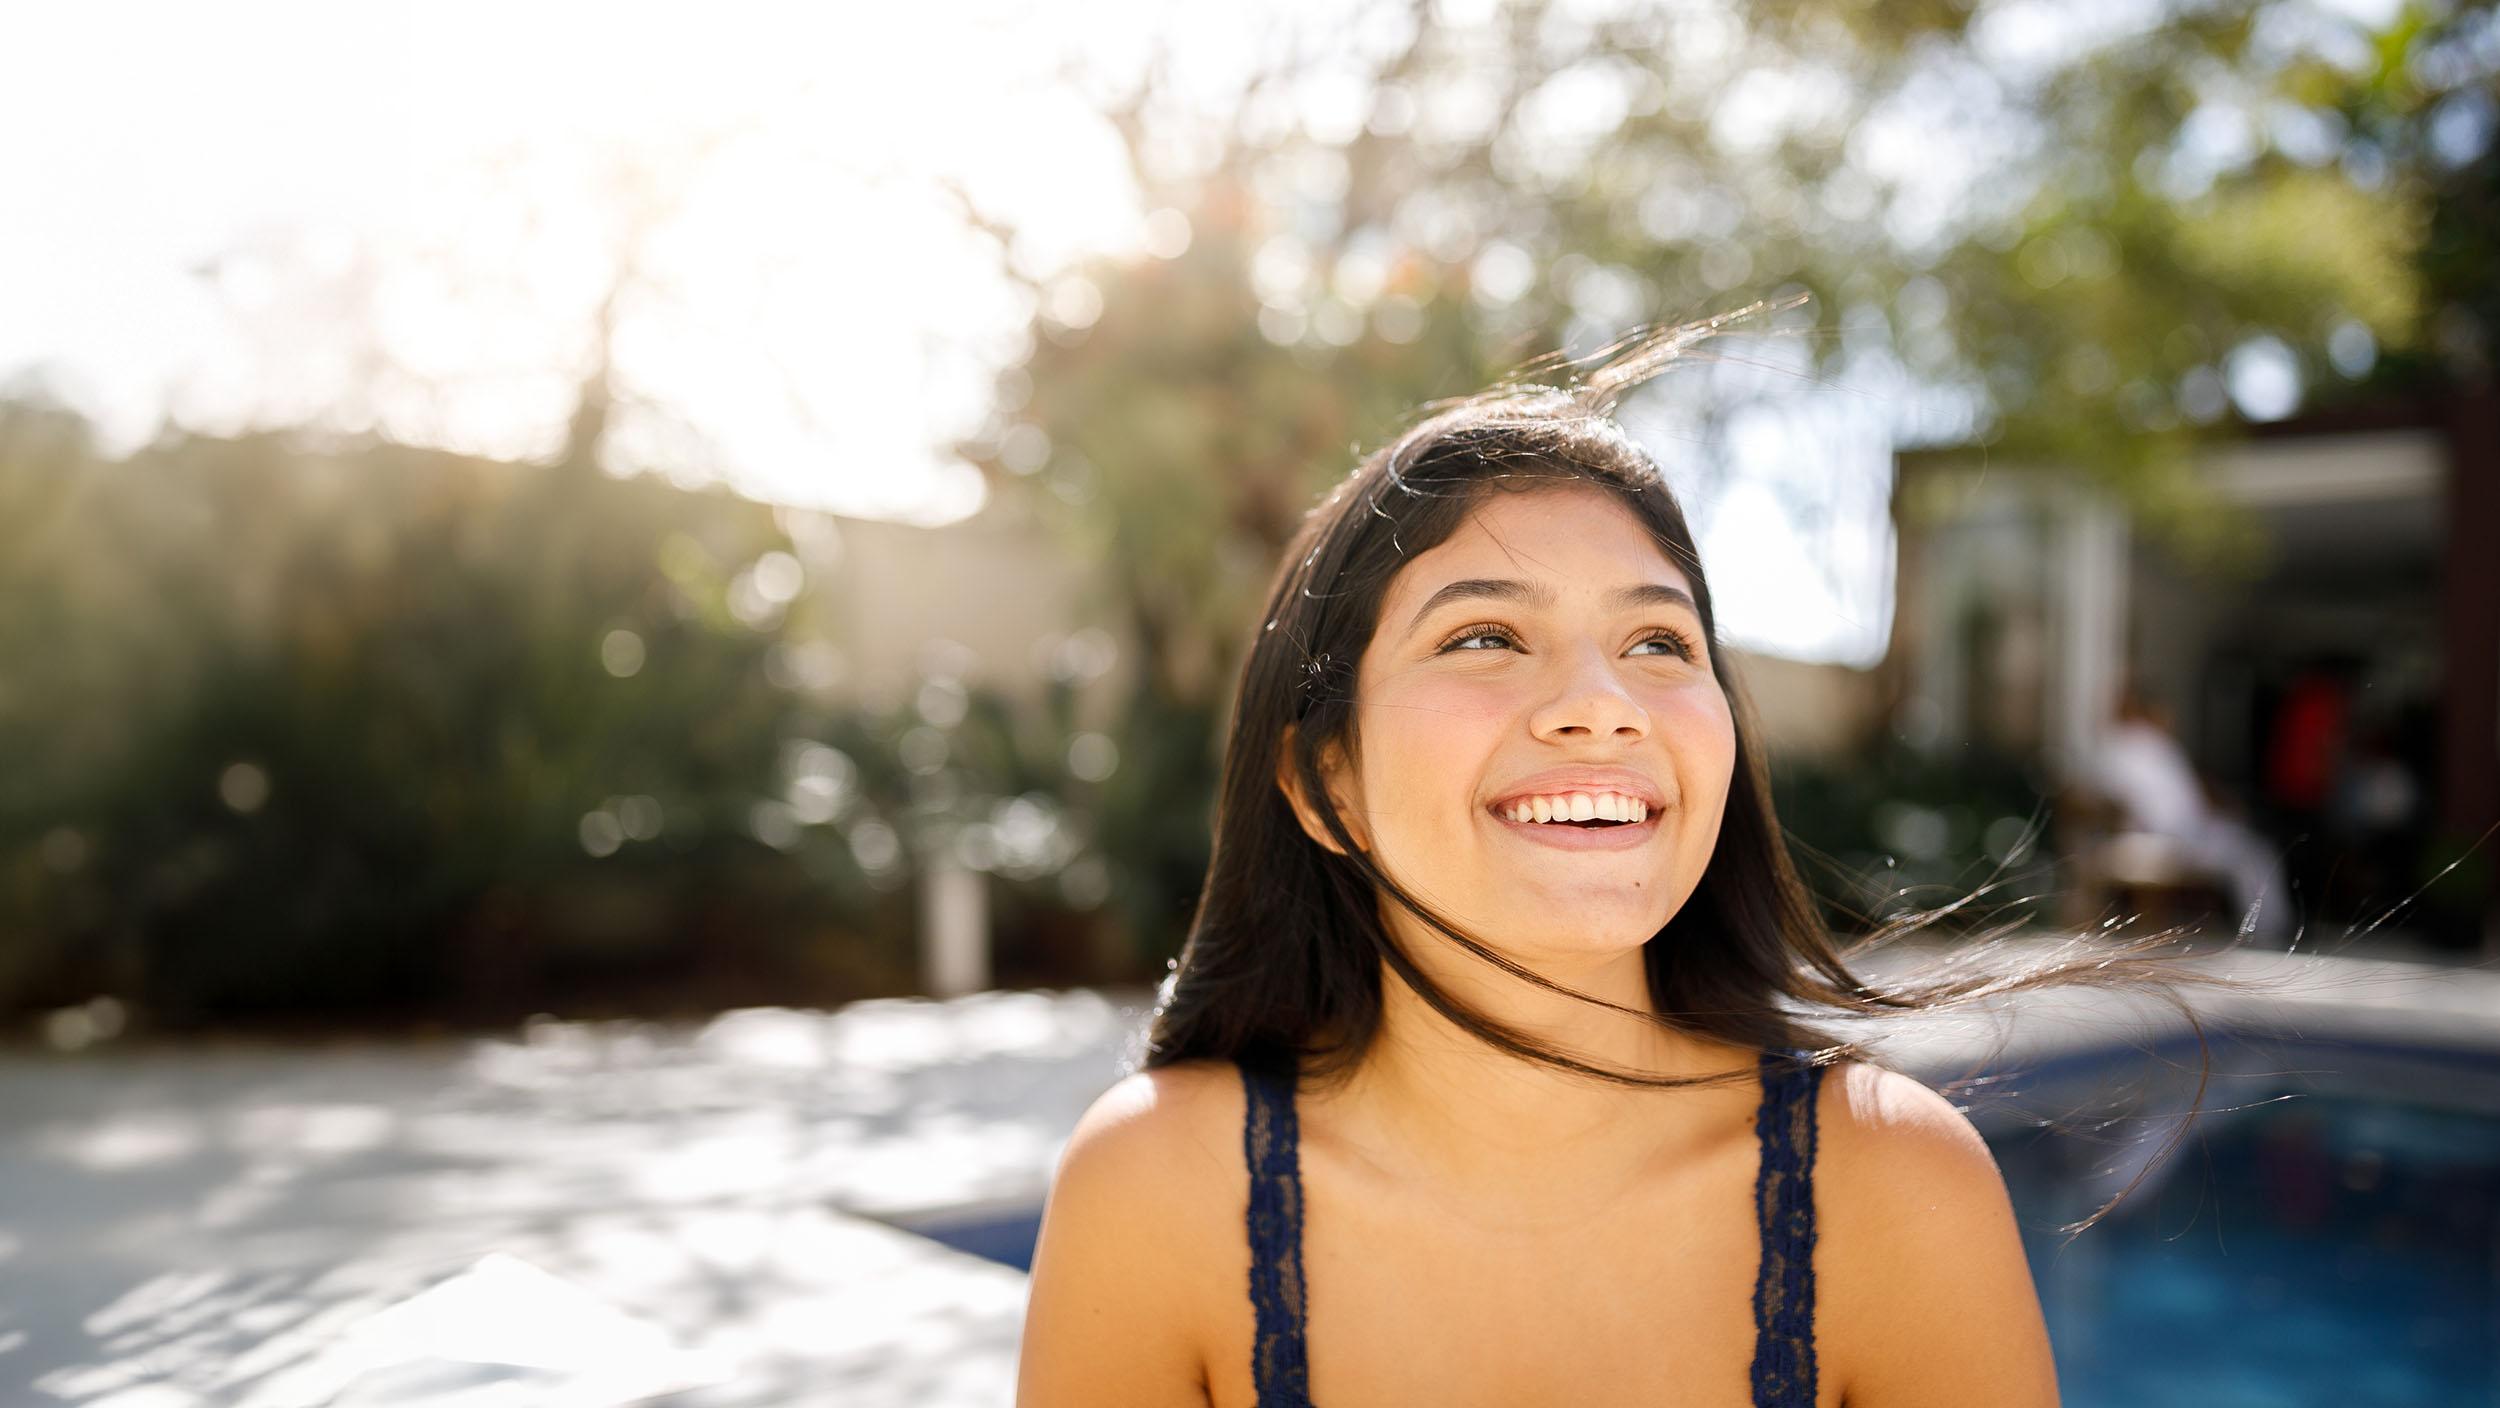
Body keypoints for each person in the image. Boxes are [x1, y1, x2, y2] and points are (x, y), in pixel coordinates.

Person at [1017, 317, 2242, 1407]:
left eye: (1658, 639)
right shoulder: (1160, 1194)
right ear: (1321, 782)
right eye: (1487, 633)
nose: (1602, 704)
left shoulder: (1892, 1191)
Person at [2093, 681, 2295, 946]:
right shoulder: (2140, 747)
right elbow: (2157, 806)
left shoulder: (2145, 747)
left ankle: (2266, 927)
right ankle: (2267, 930)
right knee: (2253, 854)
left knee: (2252, 850)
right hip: (2176, 835)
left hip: (2183, 831)